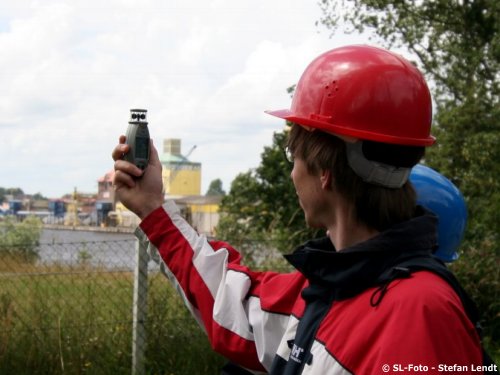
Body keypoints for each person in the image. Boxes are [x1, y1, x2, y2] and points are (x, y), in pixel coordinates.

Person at [112, 45, 487, 374]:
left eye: (294, 155)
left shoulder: (420, 316)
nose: (292, 173)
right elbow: (232, 304)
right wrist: (152, 207)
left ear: (324, 172)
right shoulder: (332, 286)